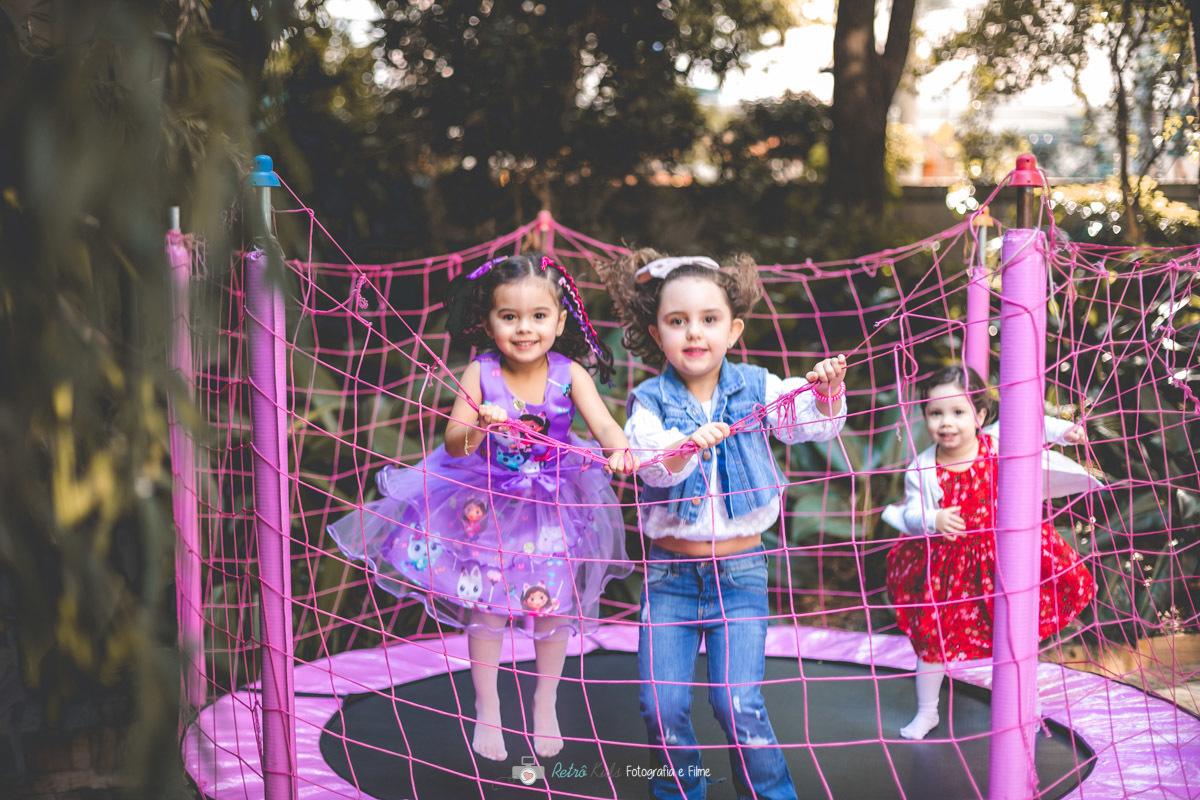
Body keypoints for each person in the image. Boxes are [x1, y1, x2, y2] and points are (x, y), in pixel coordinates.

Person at [328, 253, 637, 761]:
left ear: (559, 322)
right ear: (488, 322)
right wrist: (480, 426)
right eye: (509, 316)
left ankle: (545, 703)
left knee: (552, 609)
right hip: (485, 504)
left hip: (550, 507)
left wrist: (617, 448)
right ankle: (487, 708)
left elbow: (604, 425)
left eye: (538, 316)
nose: (524, 329)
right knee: (486, 610)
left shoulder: (569, 374)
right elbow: (453, 441)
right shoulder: (481, 371)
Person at [600, 250, 848, 800]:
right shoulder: (649, 401)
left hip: (740, 576)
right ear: (655, 332)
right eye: (678, 321)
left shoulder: (758, 387)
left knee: (737, 704)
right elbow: (652, 464)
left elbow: (809, 424)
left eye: (709, 320)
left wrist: (827, 390)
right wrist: (684, 447)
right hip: (669, 581)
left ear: (733, 329)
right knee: (659, 706)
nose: (694, 333)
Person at [882, 365, 1098, 740]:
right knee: (932, 643)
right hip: (950, 567)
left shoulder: (996, 443)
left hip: (1003, 558)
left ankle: (1025, 705)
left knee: (1015, 637)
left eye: (958, 412)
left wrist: (1065, 431)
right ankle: (927, 712)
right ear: (925, 417)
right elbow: (911, 514)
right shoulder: (923, 468)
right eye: (936, 413)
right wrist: (933, 518)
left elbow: (1032, 426)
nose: (947, 423)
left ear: (980, 415)